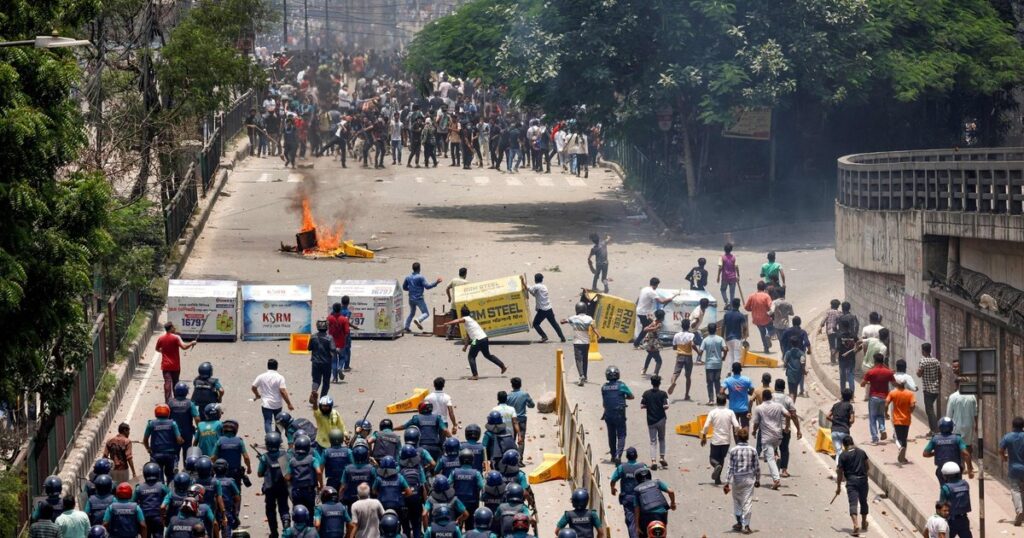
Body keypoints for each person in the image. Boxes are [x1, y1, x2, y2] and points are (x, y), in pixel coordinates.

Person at [443, 306, 507, 380]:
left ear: (461, 314)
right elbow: (468, 336)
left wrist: (447, 323)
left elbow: (457, 321)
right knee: (487, 355)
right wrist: (465, 346)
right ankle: (502, 366)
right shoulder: (471, 321)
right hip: (484, 338)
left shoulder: (466, 319)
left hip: (476, 340)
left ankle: (475, 375)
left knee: (471, 357)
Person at [750, 390, 790, 489]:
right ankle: (777, 456)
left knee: (770, 459)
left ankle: (776, 480)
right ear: (771, 397)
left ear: (763, 398)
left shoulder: (759, 408)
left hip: (766, 437)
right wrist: (787, 426)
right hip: (778, 436)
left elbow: (756, 423)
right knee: (773, 451)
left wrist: (754, 431)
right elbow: (788, 415)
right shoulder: (778, 406)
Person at [722, 427, 757, 535]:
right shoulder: (753, 450)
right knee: (747, 502)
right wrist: (758, 479)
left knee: (737, 501)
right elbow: (756, 467)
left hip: (736, 479)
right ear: (747, 438)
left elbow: (730, 467)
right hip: (749, 479)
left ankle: (738, 523)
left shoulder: (733, 451)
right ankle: (746, 526)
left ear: (737, 437)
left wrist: (727, 482)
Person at [835, 435, 870, 536]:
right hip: (863, 480)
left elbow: (840, 472)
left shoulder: (843, 455)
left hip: (851, 482)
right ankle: (864, 522)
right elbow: (867, 466)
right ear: (852, 442)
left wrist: (838, 487)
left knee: (853, 503)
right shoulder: (862, 452)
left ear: (844, 445)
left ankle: (855, 525)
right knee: (863, 501)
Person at [701, 393, 739, 485]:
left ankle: (716, 466)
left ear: (717, 402)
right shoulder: (730, 412)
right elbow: (737, 425)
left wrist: (704, 436)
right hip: (726, 440)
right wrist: (736, 432)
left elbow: (706, 426)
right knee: (721, 459)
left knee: (712, 459)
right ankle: (717, 479)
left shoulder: (712, 412)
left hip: (716, 440)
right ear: (725, 402)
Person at [258, 432, 291, 537]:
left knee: (270, 511)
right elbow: (287, 474)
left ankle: (274, 533)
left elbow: (259, 473)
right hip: (282, 488)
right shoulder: (284, 455)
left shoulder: (265, 457)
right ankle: (286, 529)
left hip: (269, 489)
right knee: (284, 509)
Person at [610, 447, 646, 538]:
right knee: (642, 519)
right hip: (641, 499)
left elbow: (613, 480)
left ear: (626, 457)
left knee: (631, 522)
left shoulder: (622, 467)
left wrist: (612, 489)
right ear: (636, 456)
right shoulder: (643, 466)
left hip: (628, 500)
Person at [251, 358, 295, 434]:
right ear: (277, 367)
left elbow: (253, 387)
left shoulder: (261, 376)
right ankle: (277, 438)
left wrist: (257, 395)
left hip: (266, 404)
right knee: (279, 422)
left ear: (267, 366)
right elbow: (283, 391)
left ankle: (270, 439)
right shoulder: (280, 377)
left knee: (267, 422)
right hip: (277, 404)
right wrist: (289, 404)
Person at [924, 417, 972, 485]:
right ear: (952, 427)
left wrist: (935, 453)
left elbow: (925, 454)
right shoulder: (957, 438)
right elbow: (966, 454)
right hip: (956, 469)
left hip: (941, 470)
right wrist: (970, 469)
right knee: (957, 487)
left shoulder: (935, 439)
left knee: (944, 489)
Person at [601, 366, 633, 465]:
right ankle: (619, 455)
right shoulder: (621, 386)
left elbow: (604, 402)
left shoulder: (604, 387)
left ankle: (613, 455)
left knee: (611, 435)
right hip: (619, 415)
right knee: (621, 435)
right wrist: (624, 397)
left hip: (608, 415)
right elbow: (631, 396)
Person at [143, 403, 184, 482]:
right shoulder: (173, 424)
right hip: (170, 455)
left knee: (158, 477)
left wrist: (148, 449)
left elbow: (145, 440)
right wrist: (181, 441)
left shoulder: (151, 424)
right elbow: (179, 440)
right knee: (171, 477)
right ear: (168, 413)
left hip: (156, 454)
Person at [156, 322, 195, 402]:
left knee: (167, 383)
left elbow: (157, 349)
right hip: (175, 365)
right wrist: (192, 343)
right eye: (173, 327)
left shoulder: (161, 338)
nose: (175, 328)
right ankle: (177, 400)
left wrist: (163, 351)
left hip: (165, 365)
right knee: (175, 382)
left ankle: (168, 401)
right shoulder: (176, 337)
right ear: (170, 328)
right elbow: (184, 347)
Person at [633, 278, 677, 349]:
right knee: (647, 328)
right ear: (656, 285)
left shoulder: (644, 289)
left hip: (640, 311)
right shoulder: (652, 292)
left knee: (652, 325)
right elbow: (661, 301)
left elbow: (638, 299)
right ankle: (637, 343)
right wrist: (669, 299)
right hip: (643, 313)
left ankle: (657, 341)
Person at [860, 353, 894, 444]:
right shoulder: (888, 372)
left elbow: (862, 384)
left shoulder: (871, 372)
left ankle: (875, 438)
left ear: (874, 361)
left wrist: (868, 382)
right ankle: (882, 429)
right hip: (884, 397)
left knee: (872, 418)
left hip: (874, 397)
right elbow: (894, 382)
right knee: (880, 415)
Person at [946, 381, 978, 474]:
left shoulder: (953, 397)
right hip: (969, 425)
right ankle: (969, 466)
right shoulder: (972, 396)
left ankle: (962, 466)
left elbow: (949, 414)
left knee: (958, 446)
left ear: (956, 385)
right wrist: (976, 425)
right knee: (968, 446)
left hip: (956, 426)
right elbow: (976, 413)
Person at [285, 435, 322, 514]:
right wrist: (320, 484)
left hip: (297, 491)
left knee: (297, 512)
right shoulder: (312, 459)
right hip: (309, 490)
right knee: (310, 511)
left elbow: (287, 477)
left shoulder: (292, 461)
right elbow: (319, 472)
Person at [561, 302, 595, 386]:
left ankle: (581, 375)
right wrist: (598, 335)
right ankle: (585, 376)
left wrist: (564, 320)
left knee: (578, 359)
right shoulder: (589, 318)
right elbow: (594, 327)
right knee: (585, 359)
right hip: (586, 342)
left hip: (577, 343)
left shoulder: (574, 318)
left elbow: (562, 322)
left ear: (577, 309)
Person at [404, 262, 443, 333]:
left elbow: (404, 287)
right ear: (419, 268)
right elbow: (427, 286)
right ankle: (419, 320)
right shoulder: (420, 277)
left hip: (411, 298)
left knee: (412, 313)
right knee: (426, 313)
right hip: (419, 299)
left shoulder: (408, 277)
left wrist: (411, 289)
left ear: (413, 269)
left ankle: (406, 327)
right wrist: (436, 282)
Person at [640, 375, 669, 470]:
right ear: (659, 383)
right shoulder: (663, 394)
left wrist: (649, 405)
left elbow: (642, 405)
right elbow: (666, 406)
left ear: (651, 383)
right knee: (662, 439)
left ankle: (653, 461)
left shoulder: (646, 394)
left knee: (653, 441)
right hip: (661, 419)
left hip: (651, 420)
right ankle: (662, 457)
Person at [1000, 416, 1024, 526]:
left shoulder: (1007, 437)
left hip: (1014, 468)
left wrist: (1004, 457)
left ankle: (1019, 510)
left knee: (1015, 490)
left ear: (1013, 426)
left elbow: (1001, 450)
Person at [938, 462, 973, 538]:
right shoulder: (965, 484)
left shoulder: (945, 488)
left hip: (951, 521)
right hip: (964, 519)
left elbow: (941, 506)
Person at [528, 273, 565, 343]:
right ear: (542, 280)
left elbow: (531, 290)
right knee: (554, 324)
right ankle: (562, 337)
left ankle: (544, 336)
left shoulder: (536, 286)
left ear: (535, 279)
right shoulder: (544, 286)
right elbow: (534, 294)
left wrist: (525, 285)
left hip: (542, 310)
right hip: (549, 308)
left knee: (535, 324)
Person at [887, 378, 916, 463]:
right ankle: (903, 457)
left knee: (897, 438)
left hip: (897, 420)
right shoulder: (910, 394)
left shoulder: (893, 393)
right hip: (906, 420)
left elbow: (886, 403)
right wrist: (910, 411)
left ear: (897, 384)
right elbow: (913, 404)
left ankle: (900, 448)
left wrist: (885, 413)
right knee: (904, 438)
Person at [668, 319, 697, 399]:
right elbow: (693, 345)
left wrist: (679, 347)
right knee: (688, 376)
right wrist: (698, 352)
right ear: (689, 326)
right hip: (688, 356)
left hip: (680, 355)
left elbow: (674, 347)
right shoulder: (691, 335)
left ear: (681, 326)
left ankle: (673, 382)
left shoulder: (676, 335)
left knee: (675, 373)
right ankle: (686, 394)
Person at [917, 343, 942, 434]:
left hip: (927, 389)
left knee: (930, 411)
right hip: (935, 389)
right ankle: (932, 430)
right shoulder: (936, 361)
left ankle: (935, 430)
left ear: (923, 351)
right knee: (930, 410)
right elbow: (940, 375)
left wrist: (918, 371)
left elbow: (919, 374)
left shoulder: (923, 361)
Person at [699, 323, 726, 405]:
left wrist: (699, 356)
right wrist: (724, 357)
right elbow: (725, 349)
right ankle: (719, 400)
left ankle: (711, 400)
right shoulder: (720, 339)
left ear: (708, 330)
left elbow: (700, 351)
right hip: (718, 363)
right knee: (717, 381)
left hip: (709, 364)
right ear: (716, 329)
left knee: (710, 382)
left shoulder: (705, 340)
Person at [744, 281, 774, 353]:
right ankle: (769, 334)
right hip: (766, 318)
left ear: (757, 287)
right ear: (764, 288)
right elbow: (771, 307)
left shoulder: (752, 296)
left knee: (762, 333)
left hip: (756, 319)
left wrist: (752, 309)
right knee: (773, 329)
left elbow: (746, 307)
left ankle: (766, 348)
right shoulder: (766, 296)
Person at [506, 378, 535, 453]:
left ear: (512, 385)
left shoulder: (508, 396)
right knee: (521, 439)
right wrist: (527, 404)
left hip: (511, 420)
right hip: (522, 420)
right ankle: (520, 459)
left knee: (511, 439)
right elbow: (532, 405)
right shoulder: (524, 394)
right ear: (520, 385)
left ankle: (511, 457)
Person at [827, 389, 857, 462]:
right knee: (850, 451)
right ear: (851, 397)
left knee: (838, 451)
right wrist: (848, 423)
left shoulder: (835, 405)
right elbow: (852, 420)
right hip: (844, 431)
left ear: (842, 396)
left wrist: (835, 421)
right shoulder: (850, 406)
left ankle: (838, 468)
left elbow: (827, 416)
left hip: (834, 431)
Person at [721, 362, 753, 427]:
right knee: (745, 426)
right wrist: (746, 391)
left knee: (735, 427)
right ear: (741, 370)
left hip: (733, 408)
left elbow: (721, 391)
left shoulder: (728, 380)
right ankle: (744, 437)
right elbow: (752, 391)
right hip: (744, 408)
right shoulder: (747, 380)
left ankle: (736, 437)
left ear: (732, 370)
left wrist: (728, 396)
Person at [327, 302, 351, 382]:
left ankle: (334, 378)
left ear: (333, 309)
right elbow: (347, 331)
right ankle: (340, 367)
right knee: (342, 357)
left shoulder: (329, 318)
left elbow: (326, 329)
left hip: (331, 343)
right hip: (341, 343)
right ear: (340, 309)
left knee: (333, 360)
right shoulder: (344, 319)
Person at [722, 299, 748, 373]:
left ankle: (729, 371)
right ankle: (736, 373)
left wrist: (722, 337)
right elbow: (745, 327)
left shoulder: (726, 315)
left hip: (728, 338)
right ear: (739, 305)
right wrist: (744, 336)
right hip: (737, 338)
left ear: (732, 305)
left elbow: (723, 326)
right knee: (737, 356)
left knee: (731, 355)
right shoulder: (741, 315)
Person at [640, 310, 665, 376]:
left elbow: (652, 320)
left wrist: (650, 319)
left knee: (650, 355)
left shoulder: (655, 321)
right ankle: (655, 374)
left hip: (651, 343)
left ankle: (644, 369)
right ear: (662, 317)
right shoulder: (657, 324)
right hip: (651, 344)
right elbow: (645, 329)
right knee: (659, 361)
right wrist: (655, 327)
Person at [782, 337, 806, 403]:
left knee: (791, 391)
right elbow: (803, 363)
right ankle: (792, 406)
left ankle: (791, 407)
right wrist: (804, 372)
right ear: (798, 344)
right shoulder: (802, 353)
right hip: (798, 374)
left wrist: (786, 365)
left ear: (791, 344)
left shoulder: (788, 353)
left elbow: (785, 363)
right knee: (795, 391)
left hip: (790, 374)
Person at [819, 299, 842, 364]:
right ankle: (835, 355)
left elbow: (823, 321)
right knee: (837, 344)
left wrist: (820, 327)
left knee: (832, 345)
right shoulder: (839, 313)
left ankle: (833, 359)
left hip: (829, 331)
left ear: (831, 305)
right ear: (838, 306)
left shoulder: (828, 312)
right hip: (836, 331)